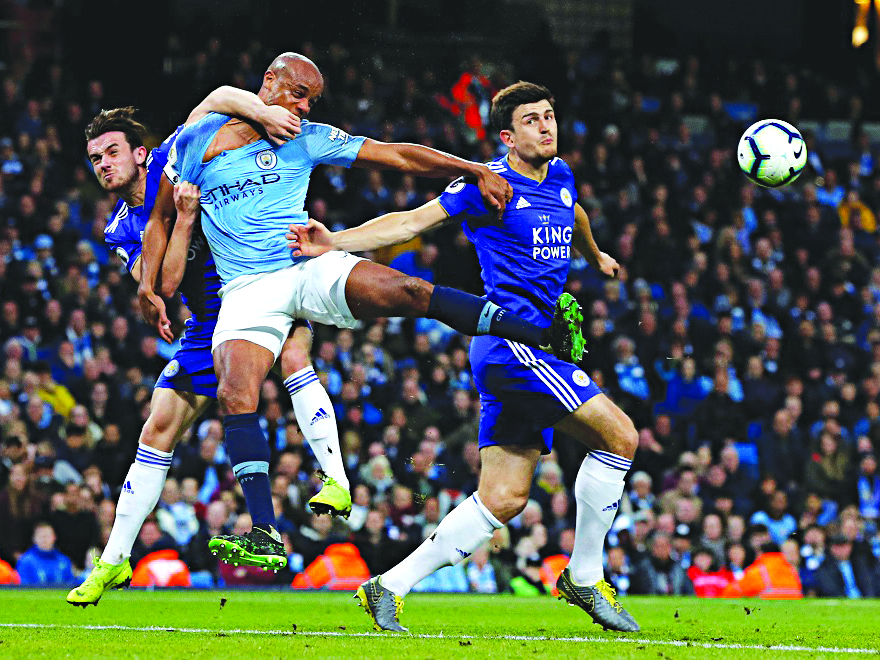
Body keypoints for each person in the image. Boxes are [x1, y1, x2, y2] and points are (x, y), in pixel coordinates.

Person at [137, 56, 585, 568]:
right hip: (246, 289)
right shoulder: (197, 140)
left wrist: (473, 168)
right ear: (269, 82)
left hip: (302, 263)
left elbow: (396, 156)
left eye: (312, 101)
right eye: (299, 94)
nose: (305, 108)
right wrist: (148, 286)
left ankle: (540, 334)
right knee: (235, 393)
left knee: (409, 289)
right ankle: (264, 531)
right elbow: (159, 218)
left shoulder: (308, 137)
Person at [291, 81, 639, 632]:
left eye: (549, 116)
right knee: (620, 437)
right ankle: (585, 576)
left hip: (528, 351)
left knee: (504, 497)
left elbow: (574, 213)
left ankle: (388, 586)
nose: (546, 126)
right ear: (507, 136)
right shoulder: (485, 185)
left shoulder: (561, 175)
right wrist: (334, 241)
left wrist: (595, 256)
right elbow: (411, 222)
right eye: (531, 120)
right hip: (511, 346)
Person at [67, 91, 346, 607]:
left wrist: (263, 113)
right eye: (95, 158)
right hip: (205, 323)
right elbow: (159, 284)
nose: (103, 164)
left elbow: (218, 97)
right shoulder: (120, 229)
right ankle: (114, 559)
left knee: (294, 357)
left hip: (258, 287)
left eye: (112, 152)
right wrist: (180, 227)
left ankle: (334, 479)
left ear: (140, 153)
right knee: (158, 427)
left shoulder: (177, 153)